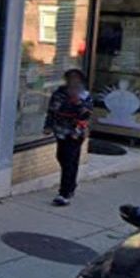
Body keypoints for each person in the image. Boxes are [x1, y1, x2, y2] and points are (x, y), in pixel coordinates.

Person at [44, 68, 91, 206]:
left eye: (76, 79)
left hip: (76, 132)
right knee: (62, 157)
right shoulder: (59, 93)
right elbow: (51, 111)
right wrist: (48, 125)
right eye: (70, 78)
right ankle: (71, 184)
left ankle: (64, 193)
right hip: (61, 130)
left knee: (69, 159)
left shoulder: (84, 95)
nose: (73, 81)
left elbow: (86, 114)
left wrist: (77, 103)